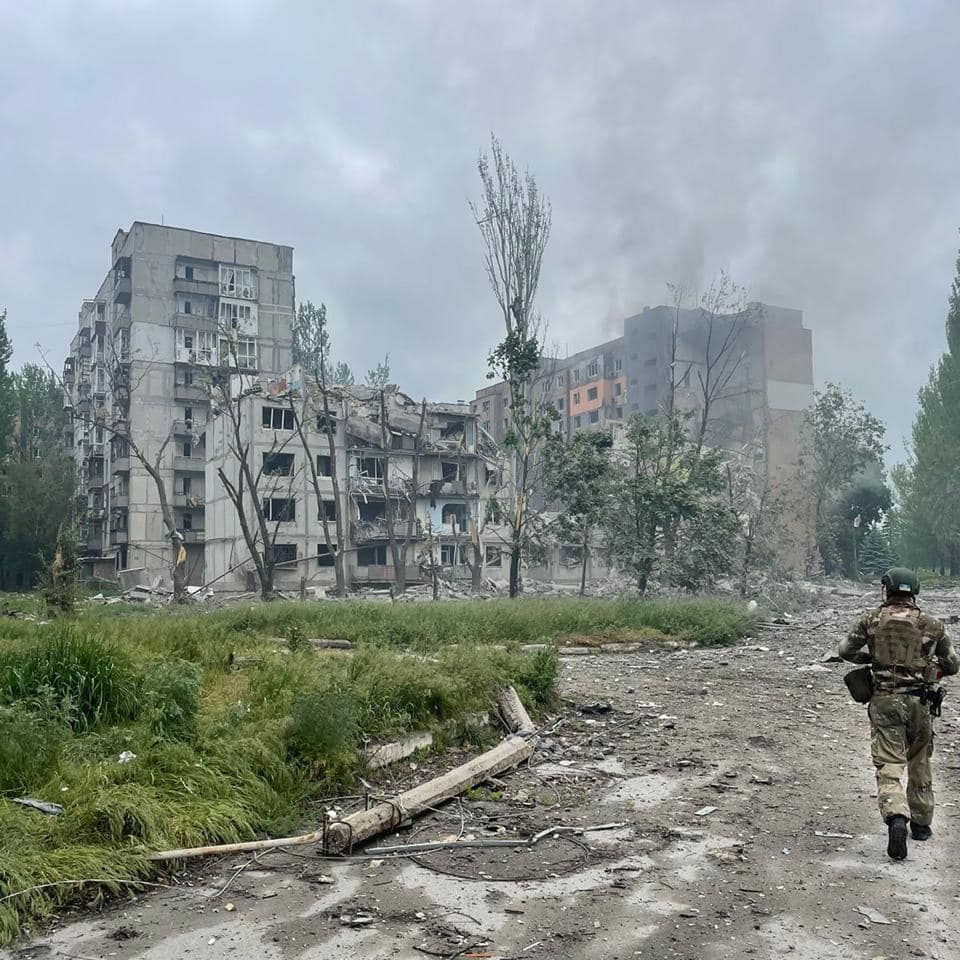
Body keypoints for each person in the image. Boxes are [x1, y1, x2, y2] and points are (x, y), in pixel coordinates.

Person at [840, 567, 959, 860]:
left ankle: (895, 816)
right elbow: (952, 665)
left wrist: (872, 658)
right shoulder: (932, 624)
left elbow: (845, 650)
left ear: (887, 589)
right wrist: (928, 667)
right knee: (920, 760)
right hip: (920, 703)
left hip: (884, 701)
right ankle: (921, 824)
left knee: (889, 762)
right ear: (914, 591)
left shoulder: (871, 619)